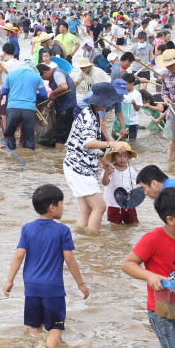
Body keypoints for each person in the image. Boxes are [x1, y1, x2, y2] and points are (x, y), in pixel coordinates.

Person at [3, 184, 89, 348]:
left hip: (32, 289)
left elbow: (19, 255)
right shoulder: (62, 231)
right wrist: (81, 284)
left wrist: (9, 280)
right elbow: (69, 259)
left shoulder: (27, 229)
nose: (63, 207)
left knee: (34, 325)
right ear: (52, 207)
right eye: (61, 203)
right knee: (56, 326)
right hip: (53, 291)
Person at [122, 188, 175, 348]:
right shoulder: (153, 239)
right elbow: (128, 264)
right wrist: (149, 275)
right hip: (164, 311)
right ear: (171, 219)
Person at [63, 83, 128, 235]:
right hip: (79, 168)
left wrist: (104, 160)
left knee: (86, 209)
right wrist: (112, 143)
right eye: (111, 101)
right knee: (99, 207)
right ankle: (93, 241)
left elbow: (87, 145)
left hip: (76, 166)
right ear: (102, 102)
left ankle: (82, 242)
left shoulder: (92, 113)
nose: (112, 104)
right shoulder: (88, 116)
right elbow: (88, 143)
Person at [2, 66, 47, 150]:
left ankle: (10, 154)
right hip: (29, 109)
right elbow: (44, 95)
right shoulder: (37, 76)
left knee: (9, 133)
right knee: (29, 135)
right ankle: (29, 156)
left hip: (13, 108)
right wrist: (34, 94)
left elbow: (4, 92)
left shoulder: (10, 75)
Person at [37, 63, 78, 150]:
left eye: (42, 77)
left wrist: (52, 93)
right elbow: (58, 94)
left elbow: (64, 87)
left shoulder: (57, 73)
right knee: (58, 131)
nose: (43, 79)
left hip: (67, 107)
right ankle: (57, 155)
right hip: (63, 107)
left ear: (45, 72)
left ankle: (58, 155)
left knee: (61, 134)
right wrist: (51, 103)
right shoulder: (55, 76)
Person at [102, 143, 140, 225]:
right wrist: (106, 173)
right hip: (113, 205)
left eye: (125, 156)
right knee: (115, 227)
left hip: (129, 204)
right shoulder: (110, 168)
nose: (122, 159)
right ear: (113, 157)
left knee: (134, 224)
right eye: (119, 156)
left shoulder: (131, 170)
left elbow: (139, 183)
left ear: (129, 157)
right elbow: (105, 183)